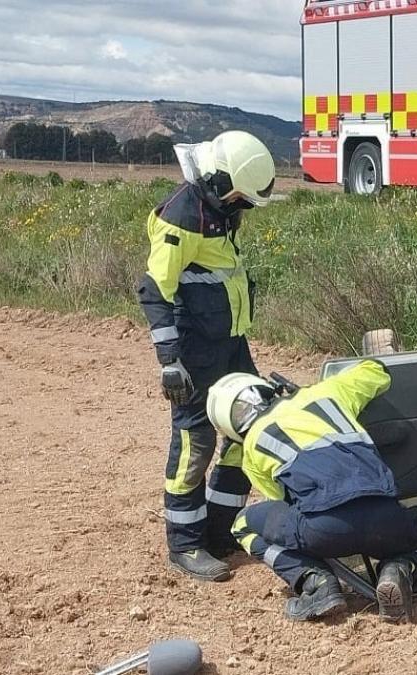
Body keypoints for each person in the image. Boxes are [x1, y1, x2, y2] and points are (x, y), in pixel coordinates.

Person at [137, 131, 277, 582]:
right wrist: (170, 360)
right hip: (194, 350)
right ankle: (185, 543)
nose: (242, 207)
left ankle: (219, 530)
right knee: (194, 443)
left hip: (232, 342)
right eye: (238, 197)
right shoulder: (181, 215)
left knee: (248, 427)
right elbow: (155, 289)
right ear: (218, 181)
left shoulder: (223, 208)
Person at [205, 361, 417, 623]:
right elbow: (377, 371)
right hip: (387, 519)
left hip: (325, 531)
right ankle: (400, 568)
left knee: (243, 525)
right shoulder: (328, 392)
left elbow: (282, 503)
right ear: (266, 389)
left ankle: (315, 582)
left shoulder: (251, 449)